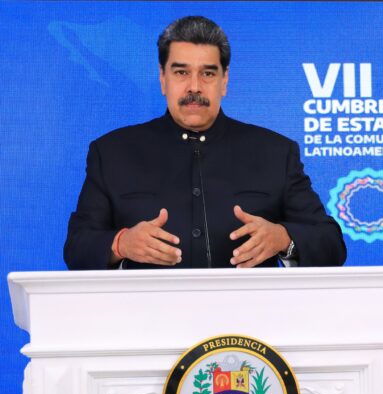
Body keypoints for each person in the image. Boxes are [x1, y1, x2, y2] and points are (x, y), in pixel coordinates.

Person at [64, 16, 346, 270]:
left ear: (225, 81)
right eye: (181, 72)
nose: (194, 87)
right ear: (163, 79)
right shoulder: (112, 152)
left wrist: (284, 238)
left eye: (208, 73)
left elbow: (331, 244)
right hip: (145, 319)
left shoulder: (276, 152)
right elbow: (77, 247)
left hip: (247, 323)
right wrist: (121, 243)